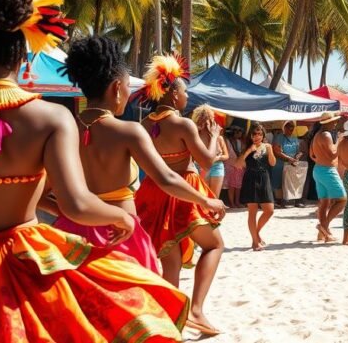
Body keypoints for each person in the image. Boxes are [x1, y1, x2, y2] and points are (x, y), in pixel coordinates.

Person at [0, 0, 190, 341]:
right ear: (23, 57)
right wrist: (120, 220)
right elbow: (76, 204)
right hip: (22, 264)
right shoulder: (53, 118)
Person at [61, 36, 225, 273]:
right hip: (120, 234)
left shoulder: (65, 128)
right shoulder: (128, 131)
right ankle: (196, 310)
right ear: (117, 88)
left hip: (72, 232)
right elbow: (167, 179)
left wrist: (72, 210)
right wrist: (205, 200)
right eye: (128, 86)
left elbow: (45, 193)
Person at [134, 54, 226, 335]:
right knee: (214, 245)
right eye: (184, 90)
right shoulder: (183, 124)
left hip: (152, 190)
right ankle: (196, 309)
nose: (186, 95)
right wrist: (212, 134)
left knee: (169, 261)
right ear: (173, 93)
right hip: (184, 189)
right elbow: (208, 161)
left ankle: (168, 321)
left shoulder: (145, 125)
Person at [238, 123, 277, 251]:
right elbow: (238, 164)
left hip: (264, 178)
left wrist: (270, 150)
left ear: (263, 135)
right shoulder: (247, 147)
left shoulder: (267, 146)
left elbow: (272, 163)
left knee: (269, 210)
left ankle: (256, 234)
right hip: (250, 178)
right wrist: (249, 150)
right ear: (250, 135)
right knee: (252, 212)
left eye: (260, 134)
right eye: (254, 134)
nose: (257, 136)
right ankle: (255, 242)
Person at [309, 112, 345, 243]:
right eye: (334, 121)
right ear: (327, 122)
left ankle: (322, 233)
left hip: (318, 169)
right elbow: (332, 154)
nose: (335, 123)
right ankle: (323, 228)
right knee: (342, 199)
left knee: (324, 203)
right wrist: (340, 142)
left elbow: (312, 155)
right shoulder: (326, 135)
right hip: (327, 170)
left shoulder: (317, 135)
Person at [192, 106, 229, 202]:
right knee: (203, 197)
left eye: (209, 119)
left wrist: (217, 158)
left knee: (214, 198)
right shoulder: (195, 135)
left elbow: (226, 156)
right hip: (200, 166)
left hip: (217, 166)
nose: (207, 122)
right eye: (203, 119)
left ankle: (211, 216)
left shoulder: (218, 137)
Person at [271, 121, 302, 207]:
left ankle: (291, 200)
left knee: (292, 182)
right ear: (284, 128)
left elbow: (298, 151)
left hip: (291, 164)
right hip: (280, 164)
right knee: (279, 182)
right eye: (288, 127)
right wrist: (289, 158)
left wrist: (297, 156)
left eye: (292, 127)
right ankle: (279, 201)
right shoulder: (278, 137)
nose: (290, 129)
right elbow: (276, 151)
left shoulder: (295, 138)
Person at [223, 127, 245, 208]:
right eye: (238, 132)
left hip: (238, 165)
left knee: (238, 185)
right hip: (230, 165)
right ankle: (232, 203)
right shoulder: (227, 141)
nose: (240, 134)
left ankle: (237, 202)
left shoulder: (239, 142)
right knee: (231, 186)